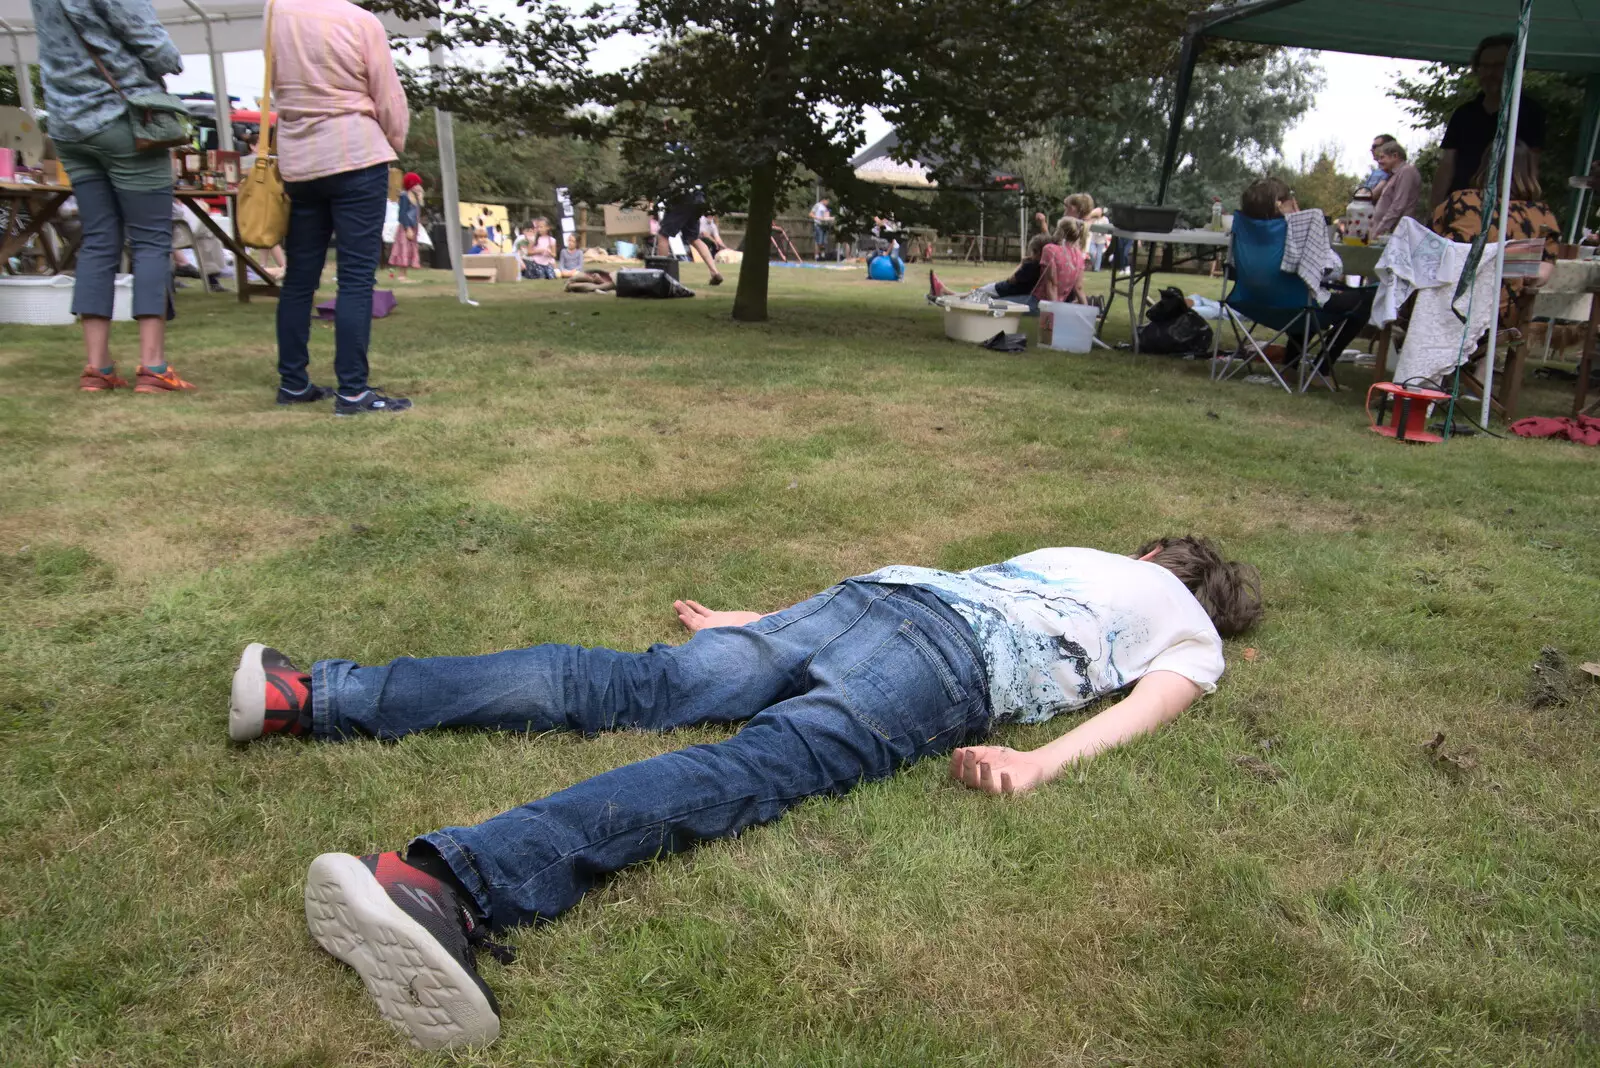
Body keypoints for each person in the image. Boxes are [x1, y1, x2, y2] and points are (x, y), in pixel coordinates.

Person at [229, 536, 1262, 1049]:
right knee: (746, 770)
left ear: (1153, 554)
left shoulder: (1078, 553)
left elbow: (926, 596)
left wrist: (752, 624)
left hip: (877, 595)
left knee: (628, 682)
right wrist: (1035, 762)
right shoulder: (1194, 630)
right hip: (948, 666)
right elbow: (1150, 703)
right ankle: (445, 882)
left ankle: (307, 694)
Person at [32, 0, 194, 394]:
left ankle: (97, 367)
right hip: (125, 117)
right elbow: (154, 46)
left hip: (69, 124)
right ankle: (154, 366)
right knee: (152, 240)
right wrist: (172, 59)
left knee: (98, 240)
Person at [272, 0, 412, 415]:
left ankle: (293, 383)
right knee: (354, 278)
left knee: (299, 278)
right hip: (355, 153)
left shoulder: (276, 15)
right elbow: (387, 94)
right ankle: (353, 390)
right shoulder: (360, 21)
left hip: (299, 161)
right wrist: (395, 143)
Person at [1236, 177, 1372, 371]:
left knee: (1304, 293)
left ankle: (1290, 366)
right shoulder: (1301, 227)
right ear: (1279, 204)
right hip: (1296, 308)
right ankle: (1321, 370)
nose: (1294, 200)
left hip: (1254, 303)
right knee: (1367, 299)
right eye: (1291, 196)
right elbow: (1332, 270)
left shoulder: (1245, 230)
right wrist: (1302, 222)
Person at [1432, 142, 1559, 314]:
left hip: (1446, 307)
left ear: (1485, 166)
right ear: (1530, 170)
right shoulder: (1541, 215)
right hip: (1502, 317)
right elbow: (1541, 273)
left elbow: (1431, 247)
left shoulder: (1460, 200)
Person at [1430, 34, 1545, 213]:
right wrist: (1435, 212)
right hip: (1459, 210)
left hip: (1506, 212)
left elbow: (1532, 166)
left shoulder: (1530, 112)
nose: (1490, 73)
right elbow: (1447, 165)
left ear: (1515, 69)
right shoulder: (1464, 114)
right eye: (1484, 66)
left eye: (1498, 66)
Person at [929, 234, 1047, 312]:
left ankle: (944, 295)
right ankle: (945, 292)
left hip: (1001, 289)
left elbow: (1011, 279)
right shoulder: (1041, 267)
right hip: (1007, 291)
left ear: (1035, 251)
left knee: (973, 296)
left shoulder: (1030, 266)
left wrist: (1021, 263)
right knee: (973, 294)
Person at [1369, 140, 1422, 238]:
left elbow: (1398, 205)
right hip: (1387, 234)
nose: (1379, 161)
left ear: (1395, 156)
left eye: (1382, 157)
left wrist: (1379, 230)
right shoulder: (1395, 175)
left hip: (1395, 234)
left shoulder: (1407, 171)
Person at [1033, 217, 1087, 305]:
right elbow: (1079, 288)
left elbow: (1052, 285)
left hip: (1041, 303)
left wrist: (1053, 312)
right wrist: (1087, 311)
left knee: (1006, 301)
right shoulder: (1079, 255)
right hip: (1060, 303)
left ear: (1060, 230)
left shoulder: (1050, 249)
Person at [387, 171, 423, 283]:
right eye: (416, 184)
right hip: (406, 227)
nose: (418, 186)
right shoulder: (404, 196)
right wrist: (407, 228)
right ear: (411, 184)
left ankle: (405, 274)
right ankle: (401, 275)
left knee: (409, 250)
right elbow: (402, 214)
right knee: (403, 249)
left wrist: (420, 198)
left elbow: (418, 212)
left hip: (414, 227)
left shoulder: (415, 197)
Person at [1359, 134, 1397, 200]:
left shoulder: (1392, 172)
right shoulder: (1375, 172)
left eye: (1374, 147)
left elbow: (1374, 195)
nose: (1371, 150)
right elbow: (1362, 191)